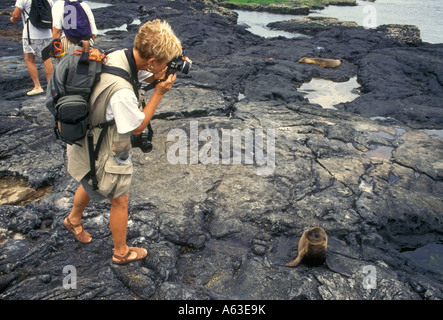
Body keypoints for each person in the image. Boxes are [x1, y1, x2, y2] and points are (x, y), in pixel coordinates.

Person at [63, 19, 189, 265]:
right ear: (151, 61)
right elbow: (136, 127)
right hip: (104, 144)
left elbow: (136, 78)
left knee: (91, 178)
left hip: (87, 136)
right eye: (162, 63)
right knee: (120, 199)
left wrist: (159, 75)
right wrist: (160, 92)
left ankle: (73, 220)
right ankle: (121, 252)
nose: (165, 67)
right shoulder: (121, 92)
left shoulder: (119, 56)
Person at [10, 0, 54, 96]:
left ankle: (37, 86)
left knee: (29, 59)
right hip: (47, 33)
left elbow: (16, 15)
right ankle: (51, 87)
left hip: (31, 35)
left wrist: (12, 19)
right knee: (47, 59)